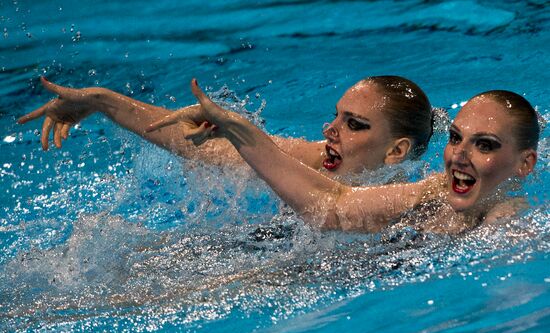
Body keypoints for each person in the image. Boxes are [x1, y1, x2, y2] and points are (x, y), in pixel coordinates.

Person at [179, 79, 539, 234]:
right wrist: (236, 129)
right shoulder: (431, 192)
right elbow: (334, 207)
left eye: (485, 145)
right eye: (456, 138)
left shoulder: (507, 222)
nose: (459, 156)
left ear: (525, 163)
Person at [17, 75, 434, 178]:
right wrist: (102, 101)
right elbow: (202, 147)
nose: (330, 129)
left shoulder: (406, 205)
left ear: (396, 152)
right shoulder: (311, 159)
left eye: (354, 124)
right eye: (336, 115)